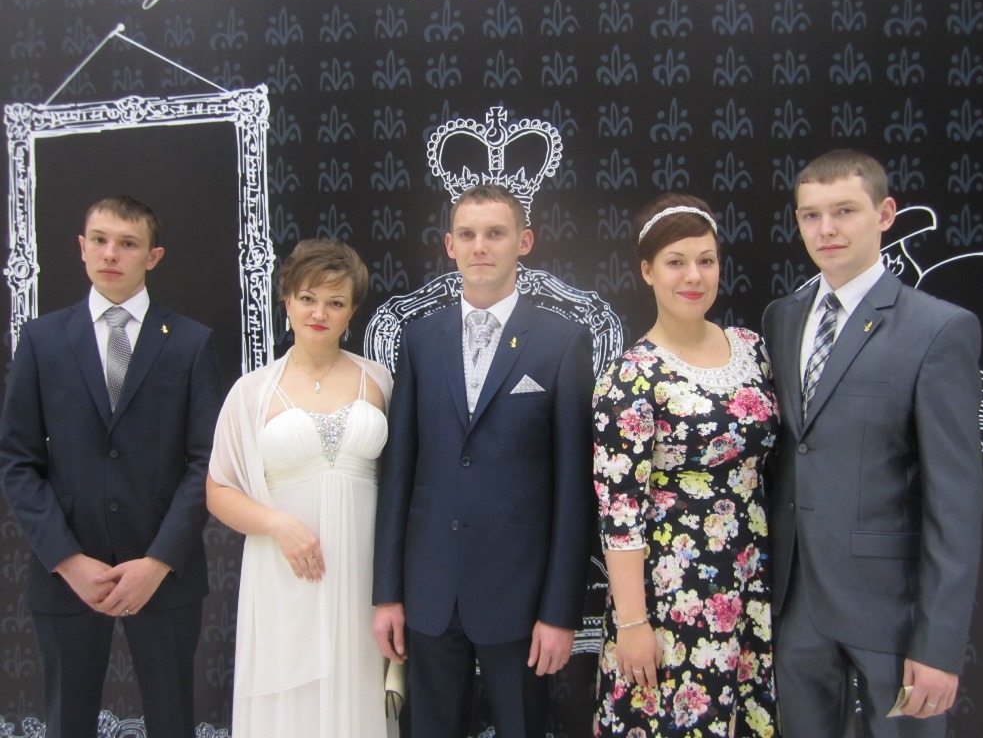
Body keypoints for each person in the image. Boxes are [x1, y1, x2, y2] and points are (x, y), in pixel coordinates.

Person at [762, 149, 983, 737]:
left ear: (885, 214)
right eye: (811, 215)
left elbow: (955, 503)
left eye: (844, 211)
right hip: (795, 604)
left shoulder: (938, 328)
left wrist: (938, 644)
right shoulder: (781, 318)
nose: (826, 229)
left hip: (892, 613)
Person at [371, 183, 594, 738]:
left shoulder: (563, 341)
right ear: (449, 245)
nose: (480, 246)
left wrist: (560, 610)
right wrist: (387, 593)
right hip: (430, 592)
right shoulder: (419, 339)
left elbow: (574, 490)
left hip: (520, 597)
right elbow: (399, 475)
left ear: (525, 241)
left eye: (495, 233)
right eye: (467, 234)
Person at [0, 196, 221, 738]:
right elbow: (18, 461)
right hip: (67, 574)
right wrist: (66, 559)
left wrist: (159, 561)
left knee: (173, 720)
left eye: (127, 243)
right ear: (81, 247)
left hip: (164, 575)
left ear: (153, 256)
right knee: (66, 723)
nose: (110, 254)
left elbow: (206, 463)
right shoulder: (43, 340)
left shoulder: (191, 342)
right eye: (99, 240)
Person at [592, 193, 779, 737]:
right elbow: (620, 513)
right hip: (673, 592)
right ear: (648, 271)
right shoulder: (631, 376)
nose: (693, 276)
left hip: (751, 577)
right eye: (675, 262)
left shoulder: (752, 349)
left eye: (706, 260)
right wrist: (633, 624)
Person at [206, 239, 393, 738]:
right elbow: (218, 488)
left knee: (356, 695)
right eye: (308, 298)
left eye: (336, 302)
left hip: (362, 577)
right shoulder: (250, 392)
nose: (319, 313)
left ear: (352, 311)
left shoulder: (380, 382)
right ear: (286, 301)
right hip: (284, 572)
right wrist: (277, 525)